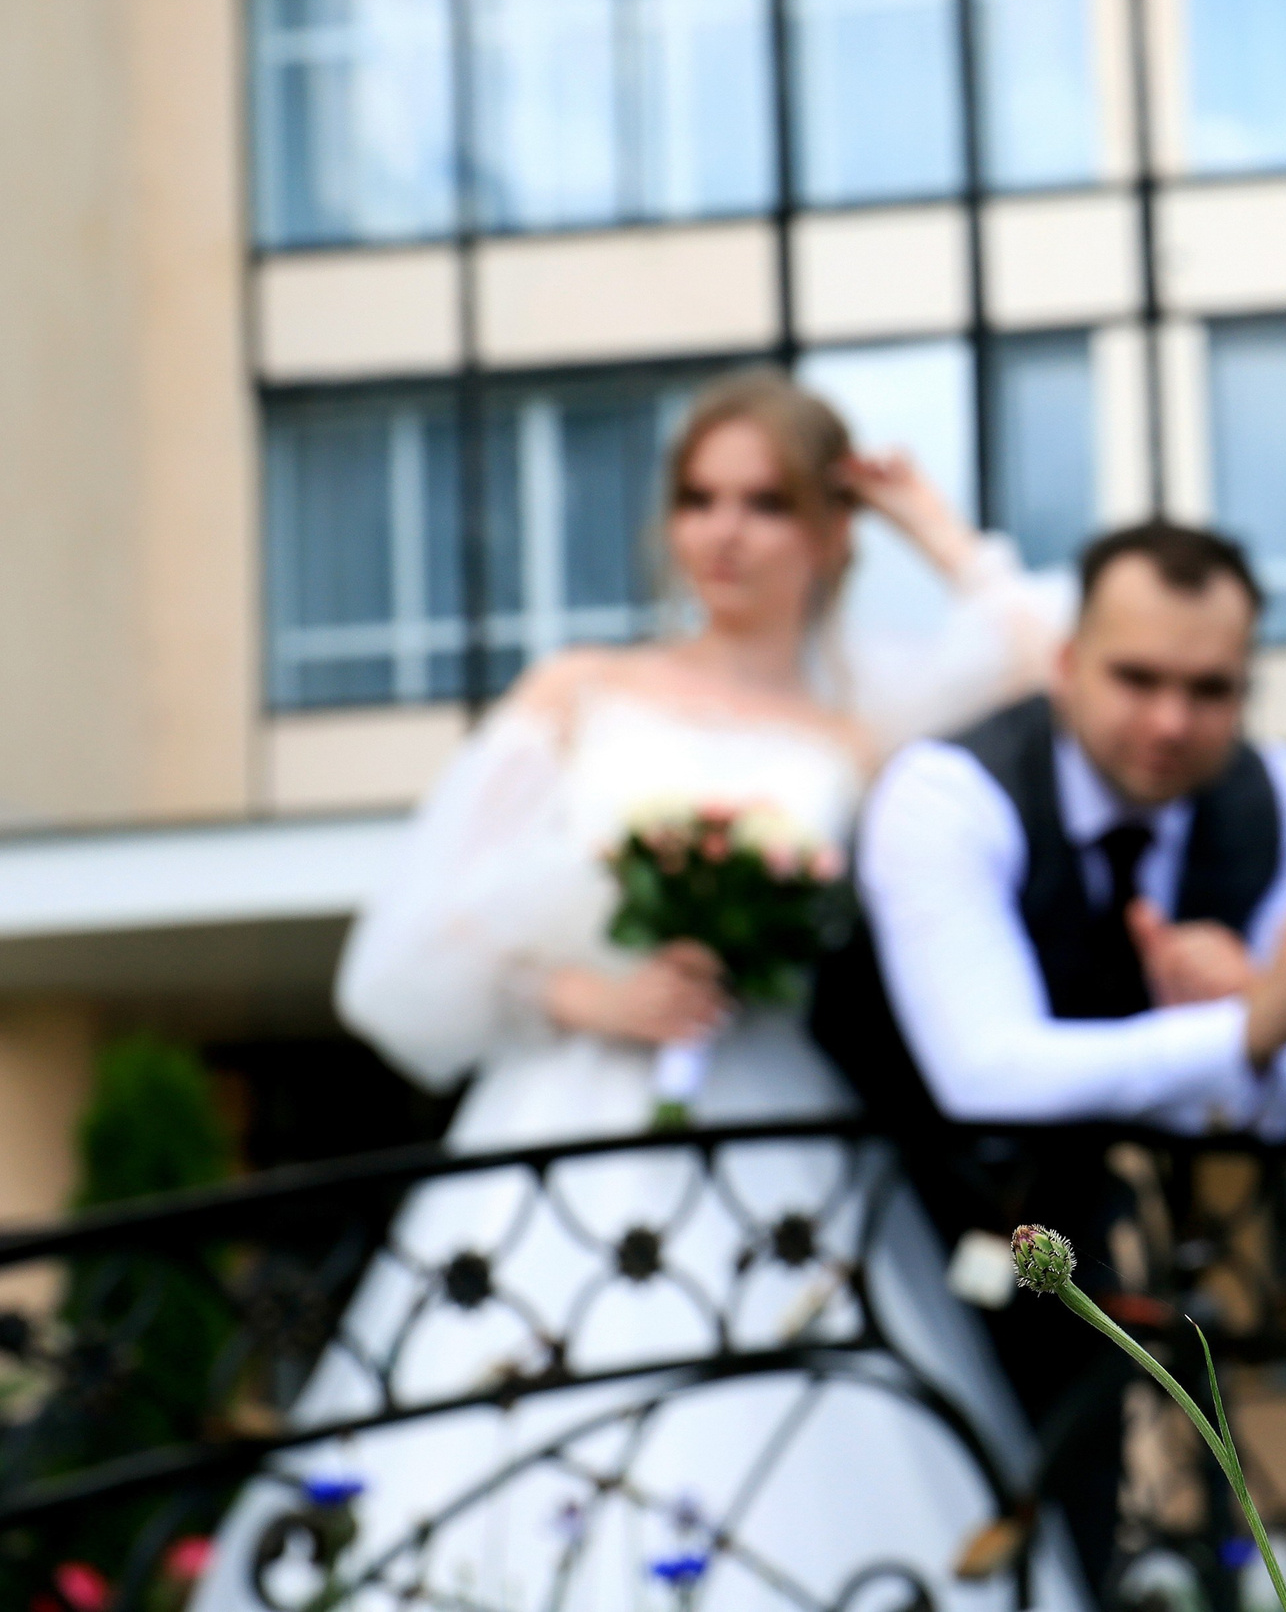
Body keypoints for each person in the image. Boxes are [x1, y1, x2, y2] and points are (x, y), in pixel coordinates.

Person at [191, 370, 1080, 1612]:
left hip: (772, 1121)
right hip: (565, 1116)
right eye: (697, 498)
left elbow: (1056, 665)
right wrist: (581, 997)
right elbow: (411, 944)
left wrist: (926, 521)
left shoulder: (866, 721)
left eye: (765, 502)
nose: (723, 531)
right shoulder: (581, 691)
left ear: (827, 534)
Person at [823, 522, 1286, 1598]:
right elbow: (983, 1070)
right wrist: (1239, 1034)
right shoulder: (947, 793)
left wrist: (1252, 1000)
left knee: (1077, 1543)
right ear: (1063, 663)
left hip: (1076, 1254)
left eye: (1209, 689)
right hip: (874, 1224)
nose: (1168, 720)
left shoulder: (1281, 799)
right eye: (1135, 677)